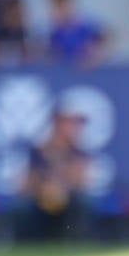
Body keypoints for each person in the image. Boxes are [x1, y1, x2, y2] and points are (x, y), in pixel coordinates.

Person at [16, 102, 93, 241]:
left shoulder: (79, 152)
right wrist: (44, 188)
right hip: (40, 198)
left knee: (83, 203)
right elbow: (24, 184)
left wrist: (60, 186)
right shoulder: (39, 151)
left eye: (76, 124)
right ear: (57, 123)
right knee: (22, 206)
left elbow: (81, 182)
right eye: (69, 123)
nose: (74, 128)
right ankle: (28, 244)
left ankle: (75, 243)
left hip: (69, 199)